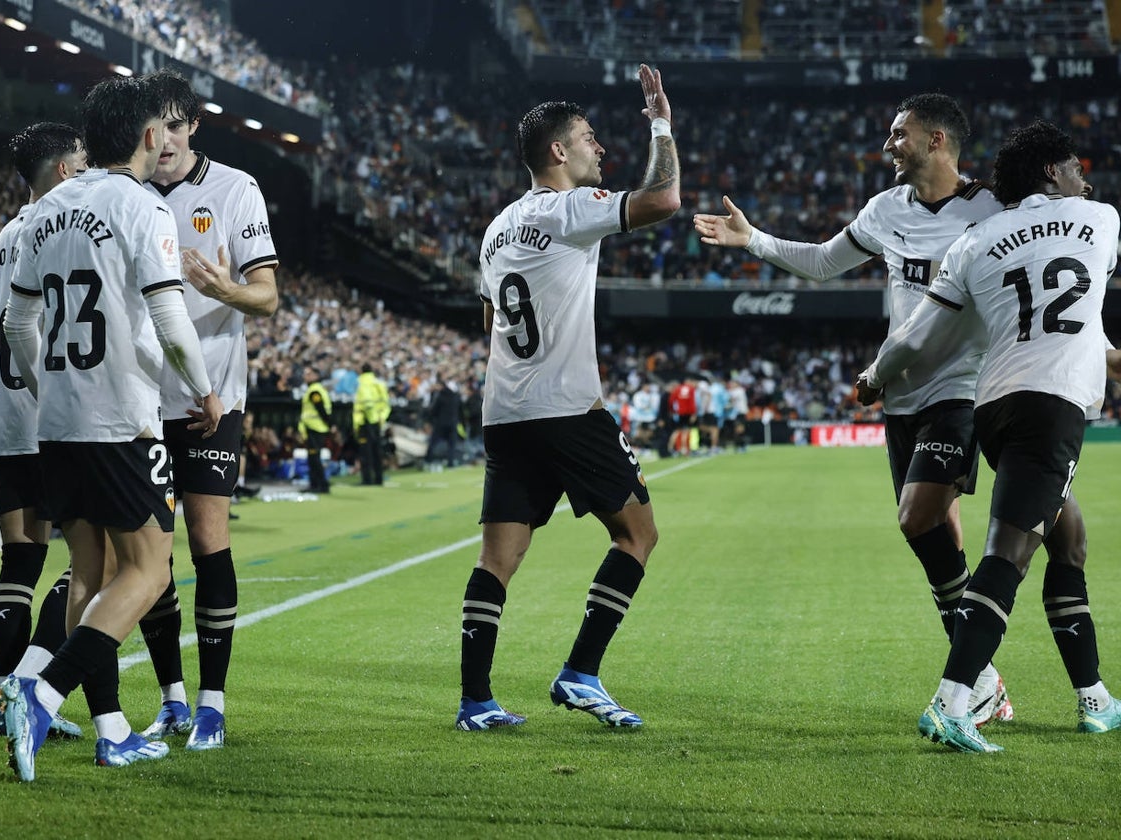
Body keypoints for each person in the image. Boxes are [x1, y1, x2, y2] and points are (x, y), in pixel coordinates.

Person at [694, 93, 1012, 724]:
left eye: (900, 134)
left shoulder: (993, 209)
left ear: (938, 140)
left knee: (916, 517)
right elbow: (822, 263)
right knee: (934, 531)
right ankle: (982, 678)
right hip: (901, 395)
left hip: (964, 387)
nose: (888, 144)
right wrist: (752, 239)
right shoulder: (885, 209)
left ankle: (974, 673)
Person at [856, 120, 1121, 752]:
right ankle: (952, 702)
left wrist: (872, 378)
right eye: (1076, 165)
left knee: (1069, 540)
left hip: (993, 407)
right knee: (1007, 555)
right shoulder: (1101, 218)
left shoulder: (977, 239)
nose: (1086, 176)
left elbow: (918, 336)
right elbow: (1072, 306)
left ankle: (1095, 698)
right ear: (1053, 173)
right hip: (1052, 407)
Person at [0, 74, 223, 782]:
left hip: (57, 424)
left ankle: (111, 729)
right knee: (149, 571)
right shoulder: (141, 206)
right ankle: (40, 692)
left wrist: (48, 391)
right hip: (118, 418)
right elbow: (169, 318)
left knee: (89, 574)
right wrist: (205, 390)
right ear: (150, 135)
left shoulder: (47, 208)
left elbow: (18, 323)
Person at [456, 63, 680, 731]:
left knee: (497, 559)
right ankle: (580, 673)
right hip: (567, 409)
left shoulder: (496, 230)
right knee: (637, 535)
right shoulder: (566, 209)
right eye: (587, 138)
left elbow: (491, 320)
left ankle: (475, 702)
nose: (599, 148)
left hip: (507, 412)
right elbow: (664, 199)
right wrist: (660, 123)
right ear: (557, 152)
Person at [134, 69, 279, 752]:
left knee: (206, 540)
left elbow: (268, 297)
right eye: (152, 125)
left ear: (194, 125)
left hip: (211, 399)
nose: (164, 138)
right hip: (138, 401)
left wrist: (227, 286)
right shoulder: (123, 192)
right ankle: (170, 700)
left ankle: (213, 705)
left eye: (175, 123)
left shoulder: (234, 188)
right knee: (148, 557)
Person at [0, 122, 88, 742]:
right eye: (80, 159)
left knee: (18, 563)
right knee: (90, 563)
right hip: (45, 415)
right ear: (65, 171)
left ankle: (4, 705)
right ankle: (29, 686)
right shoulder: (54, 231)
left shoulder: (2, 236)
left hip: (2, 415)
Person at [352, 362, 391, 485]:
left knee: (365, 453)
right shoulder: (379, 384)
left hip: (365, 422)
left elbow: (364, 405)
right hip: (377, 422)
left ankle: (367, 479)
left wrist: (357, 423)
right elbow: (386, 404)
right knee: (377, 452)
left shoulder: (361, 383)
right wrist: (381, 418)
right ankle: (379, 478)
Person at [298, 366, 333, 493]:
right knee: (313, 458)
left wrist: (329, 424)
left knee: (314, 458)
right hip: (315, 428)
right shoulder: (316, 389)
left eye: (308, 374)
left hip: (315, 428)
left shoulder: (315, 391)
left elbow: (321, 410)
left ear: (315, 376)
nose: (305, 376)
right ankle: (316, 484)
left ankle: (321, 485)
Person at [425, 379, 463, 469]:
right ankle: (450, 462)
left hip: (441, 423)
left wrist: (431, 420)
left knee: (433, 442)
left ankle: (427, 460)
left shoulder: (440, 396)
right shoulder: (455, 396)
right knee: (452, 444)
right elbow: (460, 410)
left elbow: (433, 410)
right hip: (453, 423)